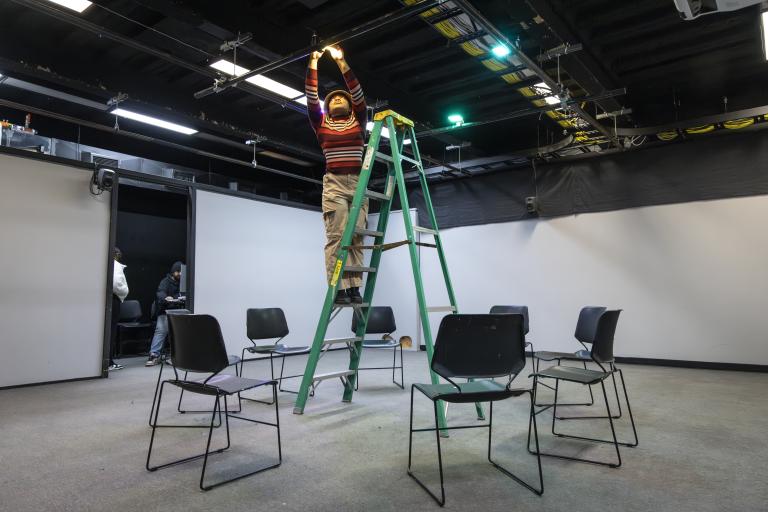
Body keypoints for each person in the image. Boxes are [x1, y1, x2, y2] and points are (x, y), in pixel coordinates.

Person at [306, 44, 368, 305]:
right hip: (334, 184)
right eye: (333, 99)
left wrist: (343, 63)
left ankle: (354, 287)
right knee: (337, 236)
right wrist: (313, 63)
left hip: (358, 182)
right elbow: (311, 97)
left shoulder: (358, 120)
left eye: (342, 98)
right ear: (328, 107)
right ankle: (339, 288)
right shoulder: (321, 124)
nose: (338, 99)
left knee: (356, 234)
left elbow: (358, 93)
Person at [146, 261, 184, 366]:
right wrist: (166, 297)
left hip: (179, 311)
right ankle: (154, 355)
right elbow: (160, 293)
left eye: (181, 272)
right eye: (178, 272)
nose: (180, 274)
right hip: (165, 311)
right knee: (161, 330)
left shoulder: (183, 283)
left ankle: (177, 356)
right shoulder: (165, 281)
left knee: (179, 333)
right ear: (173, 272)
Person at [109, 247, 129, 371]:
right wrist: (125, 292)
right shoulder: (115, 265)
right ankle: (109, 362)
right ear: (116, 255)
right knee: (110, 331)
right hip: (113, 299)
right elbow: (116, 283)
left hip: (105, 299)